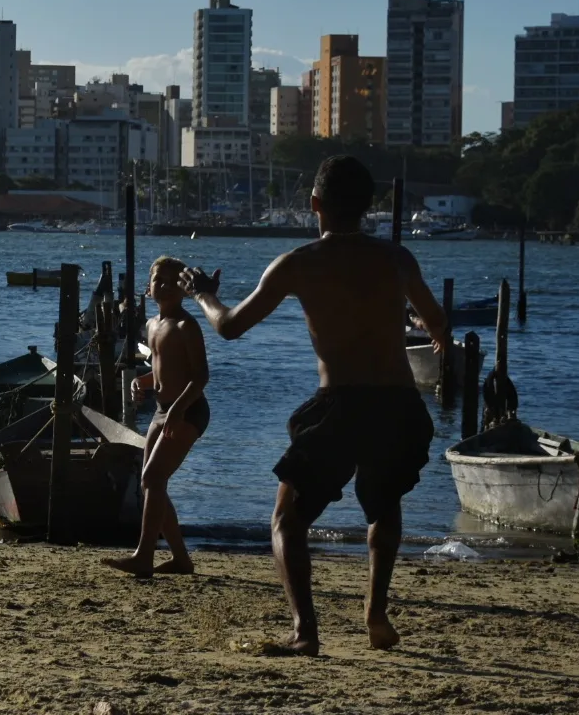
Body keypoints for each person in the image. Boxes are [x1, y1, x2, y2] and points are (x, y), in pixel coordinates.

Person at [178, 155, 449, 656]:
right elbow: (436, 320)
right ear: (369, 206)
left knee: (286, 521)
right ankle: (376, 614)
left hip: (340, 404)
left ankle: (305, 631)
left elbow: (231, 326)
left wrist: (203, 295)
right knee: (383, 507)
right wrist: (437, 340)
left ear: (314, 205)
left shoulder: (297, 264)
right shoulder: (398, 259)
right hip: (399, 404)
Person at [104, 256, 209, 578]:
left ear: (182, 288)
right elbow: (163, 368)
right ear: (148, 287)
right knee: (153, 484)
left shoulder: (185, 326)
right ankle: (180, 559)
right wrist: (142, 382)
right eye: (156, 279)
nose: (161, 284)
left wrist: (177, 412)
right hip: (162, 411)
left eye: (169, 280)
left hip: (188, 410)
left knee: (152, 479)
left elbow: (200, 377)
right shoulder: (151, 325)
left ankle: (143, 556)